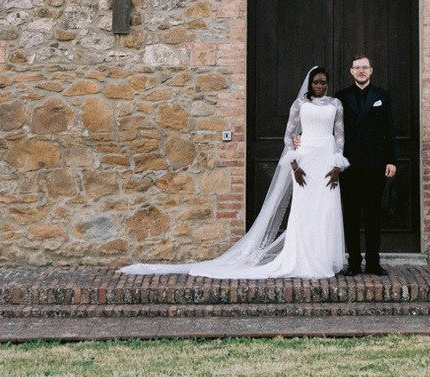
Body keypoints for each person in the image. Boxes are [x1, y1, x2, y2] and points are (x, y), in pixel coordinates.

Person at [119, 64, 347, 280]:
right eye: (316, 82)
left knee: (325, 209)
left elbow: (339, 136)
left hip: (326, 160)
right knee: (304, 211)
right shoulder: (299, 105)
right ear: (310, 84)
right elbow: (288, 137)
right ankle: (302, 259)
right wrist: (295, 167)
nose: (319, 86)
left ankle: (323, 259)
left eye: (323, 82)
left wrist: (336, 165)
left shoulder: (336, 104)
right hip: (305, 160)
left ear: (327, 84)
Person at [334, 54, 395, 275]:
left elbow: (390, 130)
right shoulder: (340, 97)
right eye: (357, 68)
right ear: (351, 71)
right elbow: (330, 128)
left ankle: (372, 262)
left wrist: (391, 160)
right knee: (350, 215)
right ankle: (353, 263)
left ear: (371, 71)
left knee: (372, 215)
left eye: (365, 67)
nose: (361, 71)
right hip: (350, 165)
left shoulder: (382, 96)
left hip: (375, 164)